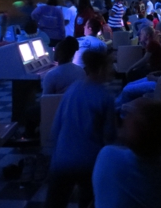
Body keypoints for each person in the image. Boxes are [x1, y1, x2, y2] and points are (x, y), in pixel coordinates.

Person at [45, 52, 116, 208]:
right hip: (89, 161)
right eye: (110, 66)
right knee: (88, 201)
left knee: (55, 203)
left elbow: (57, 125)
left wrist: (53, 154)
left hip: (62, 159)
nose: (112, 70)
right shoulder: (105, 97)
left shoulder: (73, 88)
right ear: (101, 69)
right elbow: (110, 135)